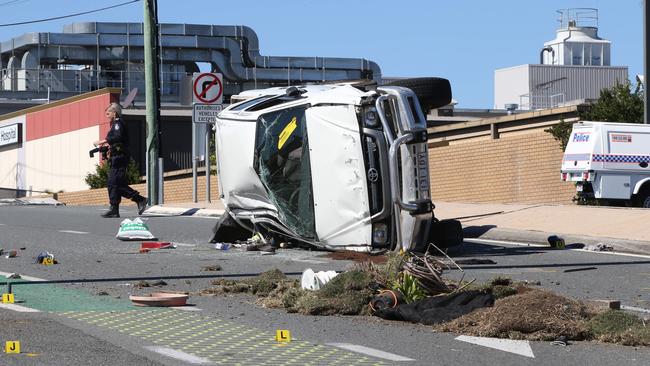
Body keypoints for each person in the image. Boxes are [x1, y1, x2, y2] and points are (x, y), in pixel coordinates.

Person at [93, 102, 147, 218]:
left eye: (108, 113)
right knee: (113, 184)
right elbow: (118, 141)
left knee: (115, 183)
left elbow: (117, 137)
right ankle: (114, 209)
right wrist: (108, 148)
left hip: (120, 158)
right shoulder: (115, 124)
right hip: (116, 157)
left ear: (115, 113)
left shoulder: (118, 123)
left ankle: (140, 199)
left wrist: (102, 141)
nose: (107, 115)